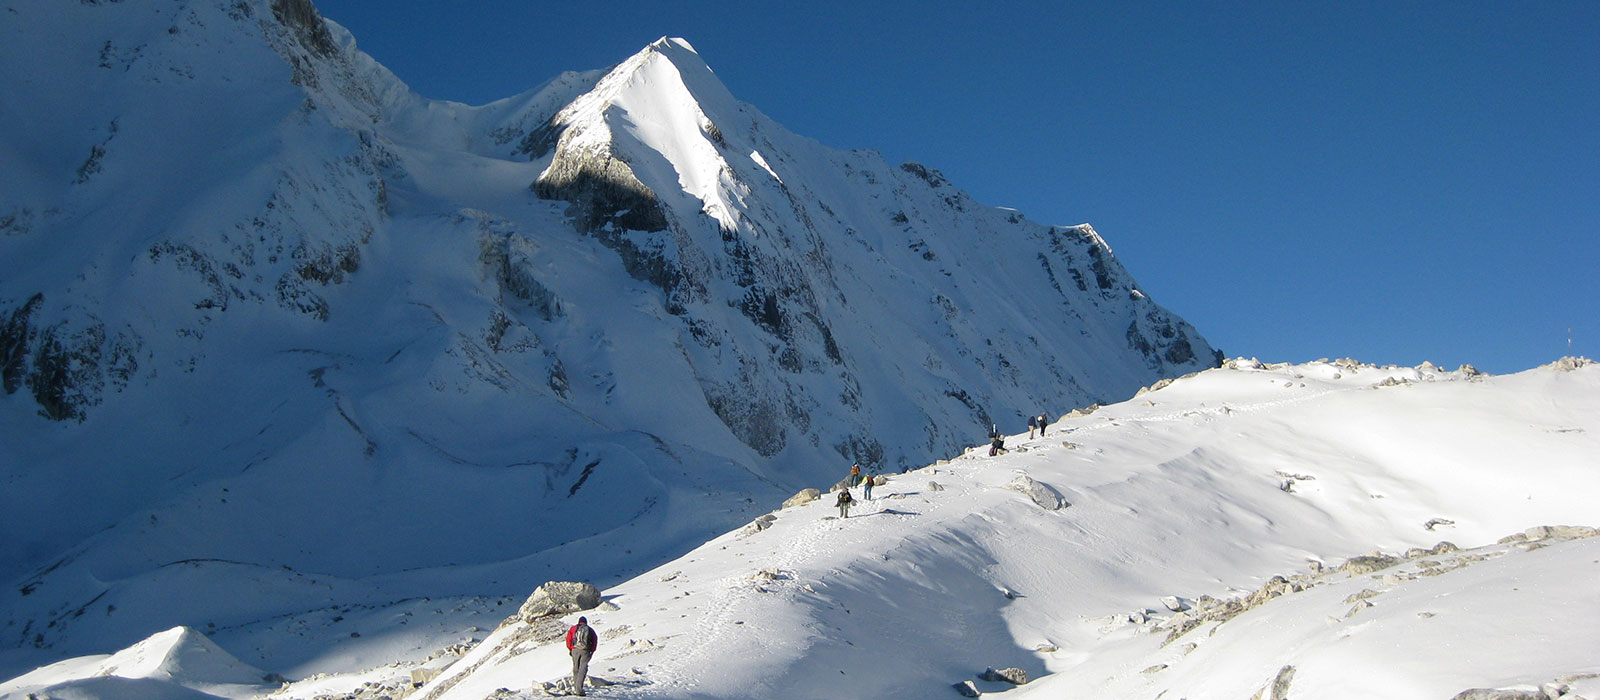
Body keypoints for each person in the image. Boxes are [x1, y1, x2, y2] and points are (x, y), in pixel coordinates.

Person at [566, 616, 597, 696]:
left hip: (575, 650)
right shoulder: (590, 629)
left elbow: (568, 639)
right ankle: (579, 690)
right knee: (582, 669)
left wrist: (570, 649)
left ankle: (576, 688)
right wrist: (592, 651)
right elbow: (594, 640)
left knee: (576, 669)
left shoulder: (573, 628)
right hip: (585, 651)